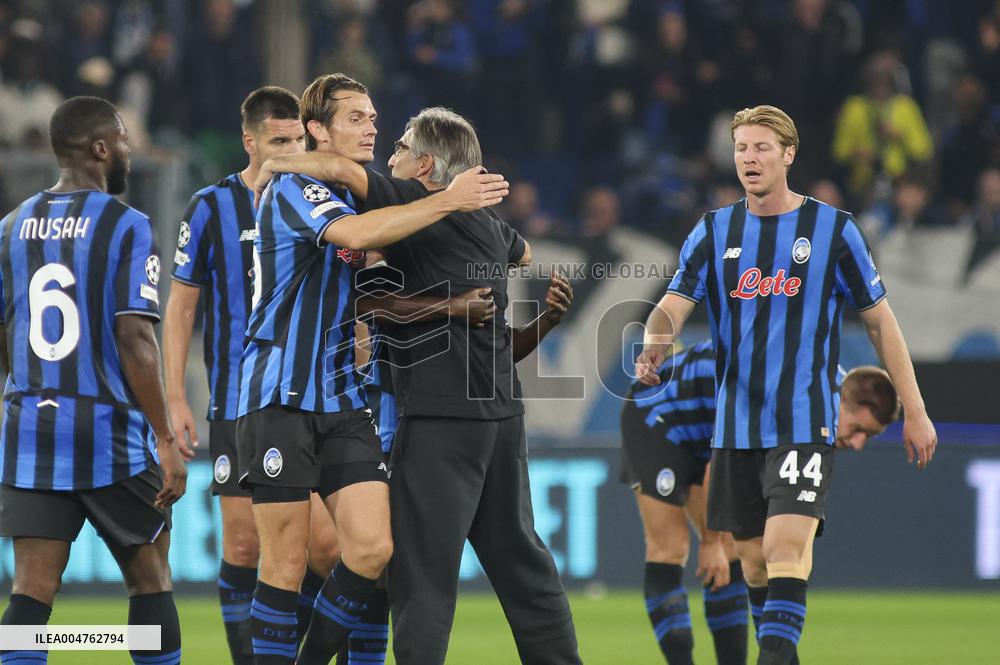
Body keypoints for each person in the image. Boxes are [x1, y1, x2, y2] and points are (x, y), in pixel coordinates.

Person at [254, 105, 581, 665]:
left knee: (424, 579)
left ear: (425, 165)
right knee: (526, 568)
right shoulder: (493, 231)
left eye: (403, 148)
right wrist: (539, 314)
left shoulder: (408, 201)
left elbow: (343, 177)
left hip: (439, 423)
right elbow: (521, 259)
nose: (391, 154)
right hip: (503, 421)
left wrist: (274, 160)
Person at [635, 105, 937, 665]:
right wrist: (656, 341)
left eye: (761, 148)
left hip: (802, 420)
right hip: (735, 426)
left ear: (788, 155)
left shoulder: (835, 230)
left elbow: (879, 321)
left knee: (783, 550)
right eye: (742, 148)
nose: (749, 158)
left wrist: (915, 410)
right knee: (752, 562)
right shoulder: (712, 230)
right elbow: (672, 305)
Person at [0, 96, 187, 665]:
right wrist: (164, 436)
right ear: (101, 149)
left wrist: (26, 388)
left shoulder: (8, 227)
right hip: (108, 431)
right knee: (150, 579)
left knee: (31, 592)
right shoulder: (128, 226)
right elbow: (135, 339)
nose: (129, 151)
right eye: (124, 140)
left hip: (30, 428)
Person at [163, 86, 343, 665]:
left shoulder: (318, 202)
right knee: (244, 544)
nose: (289, 151)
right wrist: (175, 397)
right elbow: (182, 307)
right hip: (235, 402)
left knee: (324, 548)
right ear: (250, 141)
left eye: (297, 140)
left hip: (306, 395)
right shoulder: (212, 206)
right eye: (278, 141)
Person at [623, 339, 902, 665]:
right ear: (841, 399)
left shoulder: (819, 402)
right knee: (672, 549)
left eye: (866, 436)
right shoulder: (788, 395)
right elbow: (726, 455)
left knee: (737, 556)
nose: (857, 444)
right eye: (858, 430)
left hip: (713, 427)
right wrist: (711, 539)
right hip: (659, 415)